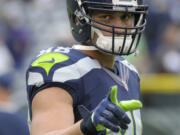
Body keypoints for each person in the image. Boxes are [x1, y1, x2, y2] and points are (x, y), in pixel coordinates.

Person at [26, 0, 148, 135]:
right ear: (79, 20)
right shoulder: (62, 68)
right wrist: (86, 126)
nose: (119, 28)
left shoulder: (130, 72)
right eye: (106, 16)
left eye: (125, 17)